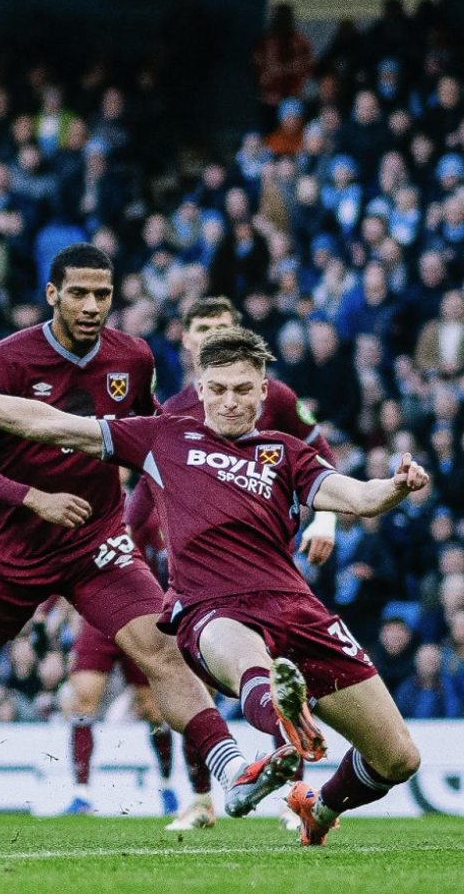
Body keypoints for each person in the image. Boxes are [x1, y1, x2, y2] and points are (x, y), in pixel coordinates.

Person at [0, 326, 426, 847]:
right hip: (213, 610)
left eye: (242, 389)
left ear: (264, 391)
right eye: (218, 389)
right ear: (200, 389)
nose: (229, 401)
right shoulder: (163, 436)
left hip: (297, 608)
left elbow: (359, 497)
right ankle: (282, 716)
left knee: (398, 757)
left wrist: (397, 486)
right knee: (251, 663)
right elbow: (48, 422)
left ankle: (319, 809)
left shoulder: (287, 454)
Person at [0, 245, 299, 840]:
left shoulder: (132, 357)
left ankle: (231, 770)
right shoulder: (7, 360)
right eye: (80, 294)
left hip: (96, 544)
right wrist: (34, 499)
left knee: (163, 652)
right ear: (52, 295)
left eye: (103, 294)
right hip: (8, 558)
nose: (92, 306)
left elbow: (151, 435)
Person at [120, 295, 339, 831]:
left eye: (221, 326)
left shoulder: (275, 396)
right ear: (187, 341)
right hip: (194, 571)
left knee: (276, 675)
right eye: (202, 328)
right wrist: (123, 540)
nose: (210, 335)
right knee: (190, 680)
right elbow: (146, 487)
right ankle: (201, 799)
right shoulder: (173, 411)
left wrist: (326, 521)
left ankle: (294, 795)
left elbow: (321, 457)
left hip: (268, 563)